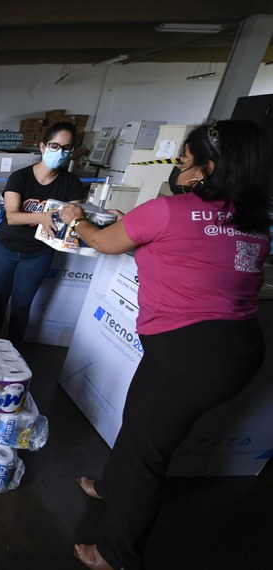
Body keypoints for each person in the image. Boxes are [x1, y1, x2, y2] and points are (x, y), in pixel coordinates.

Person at [58, 120, 271, 570]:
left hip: (188, 354)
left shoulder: (169, 210)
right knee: (138, 422)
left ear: (208, 168)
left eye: (187, 161)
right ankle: (111, 487)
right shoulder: (254, 220)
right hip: (237, 347)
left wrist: (77, 220)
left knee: (145, 453)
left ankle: (117, 554)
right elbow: (188, 253)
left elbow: (101, 241)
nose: (181, 169)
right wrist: (133, 226)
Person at [0, 121, 85, 346]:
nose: (59, 152)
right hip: (5, 248)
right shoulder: (20, 177)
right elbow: (12, 217)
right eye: (54, 146)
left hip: (38, 253)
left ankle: (12, 353)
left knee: (21, 305)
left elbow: (74, 217)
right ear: (43, 147)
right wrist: (41, 217)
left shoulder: (71, 183)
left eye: (66, 148)